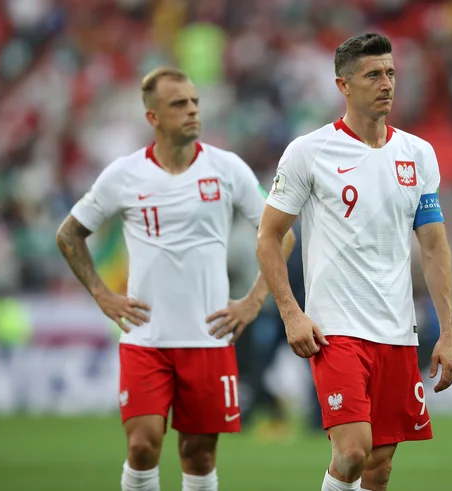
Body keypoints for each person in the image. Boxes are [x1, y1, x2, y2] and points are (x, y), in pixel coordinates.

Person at [55, 67, 295, 491]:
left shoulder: (227, 168)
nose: (192, 111)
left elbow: (282, 234)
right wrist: (102, 295)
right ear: (152, 117)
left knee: (199, 455)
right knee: (143, 445)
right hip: (146, 339)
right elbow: (70, 233)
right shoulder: (124, 174)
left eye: (195, 102)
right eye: (178, 104)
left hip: (209, 338)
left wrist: (255, 301)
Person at [256, 33, 452, 491]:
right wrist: (292, 313)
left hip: (396, 329)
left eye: (390, 73)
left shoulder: (417, 154)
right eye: (372, 75)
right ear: (343, 85)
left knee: (380, 466)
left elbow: (433, 245)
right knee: (352, 451)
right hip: (335, 329)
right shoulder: (310, 152)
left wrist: (449, 331)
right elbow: (269, 236)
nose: (386, 83)